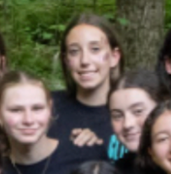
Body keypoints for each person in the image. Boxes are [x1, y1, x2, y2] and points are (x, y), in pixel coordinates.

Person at [0, 71, 96, 174]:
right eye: (16, 110)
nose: (28, 120)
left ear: (50, 109)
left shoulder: (83, 160)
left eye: (37, 108)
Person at [51, 15, 121, 147]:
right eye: (74, 51)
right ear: (66, 61)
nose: (84, 61)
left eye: (95, 49)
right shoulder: (47, 108)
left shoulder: (132, 112)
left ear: (114, 57)